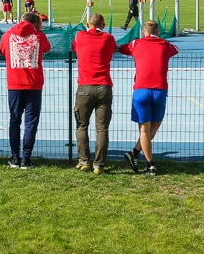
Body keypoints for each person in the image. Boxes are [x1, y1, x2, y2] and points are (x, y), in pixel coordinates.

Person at [118, 21, 179, 176]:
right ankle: (141, 156)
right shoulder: (165, 44)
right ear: (157, 31)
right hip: (159, 90)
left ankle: (143, 159)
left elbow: (122, 48)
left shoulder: (136, 43)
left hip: (141, 89)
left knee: (145, 129)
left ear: (144, 31)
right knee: (155, 125)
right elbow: (176, 50)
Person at [0, 11, 51, 169]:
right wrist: (38, 31)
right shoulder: (39, 37)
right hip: (34, 84)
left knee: (14, 120)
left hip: (14, 84)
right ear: (36, 24)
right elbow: (47, 49)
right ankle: (26, 158)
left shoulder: (8, 35)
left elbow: (1, 51)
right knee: (31, 123)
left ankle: (15, 157)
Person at [71, 13, 116, 174]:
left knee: (82, 125)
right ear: (103, 25)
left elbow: (74, 47)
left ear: (88, 24)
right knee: (102, 128)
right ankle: (99, 165)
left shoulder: (80, 36)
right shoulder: (108, 38)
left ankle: (84, 161)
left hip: (84, 86)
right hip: (104, 86)